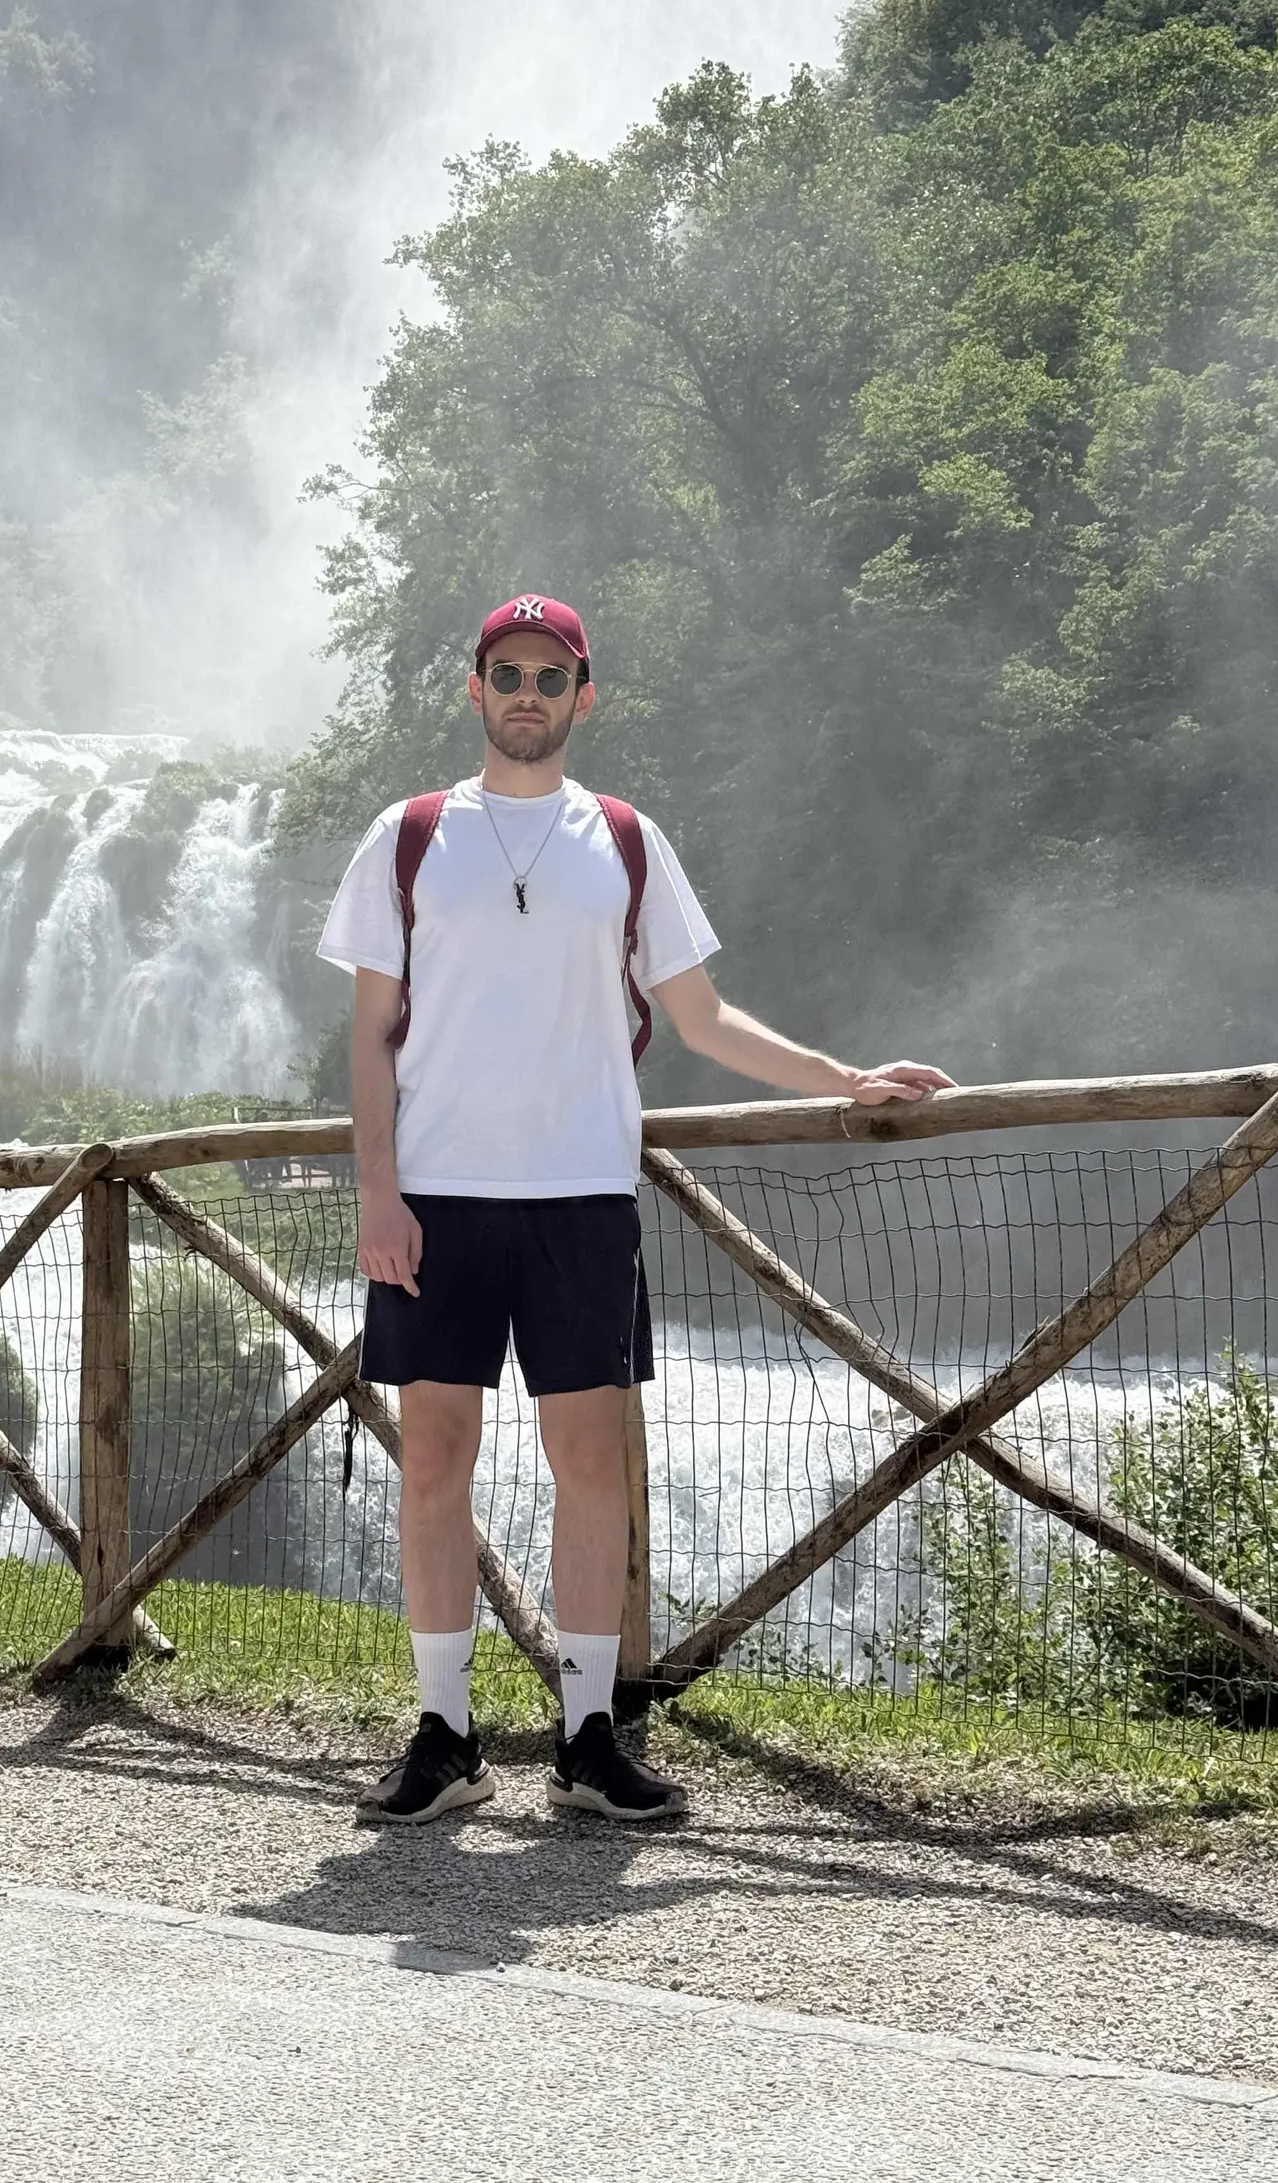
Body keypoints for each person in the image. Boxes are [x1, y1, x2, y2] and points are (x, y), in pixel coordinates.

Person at [316, 595, 953, 1824]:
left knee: (590, 1464)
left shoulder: (624, 837)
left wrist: (843, 1078)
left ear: (584, 695)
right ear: (476, 688)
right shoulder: (408, 835)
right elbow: (370, 1034)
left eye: (550, 677)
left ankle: (587, 1737)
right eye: (508, 674)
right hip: (437, 1197)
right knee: (434, 1459)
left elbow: (701, 1016)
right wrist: (378, 1192)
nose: (528, 695)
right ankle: (444, 1735)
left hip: (583, 1192)